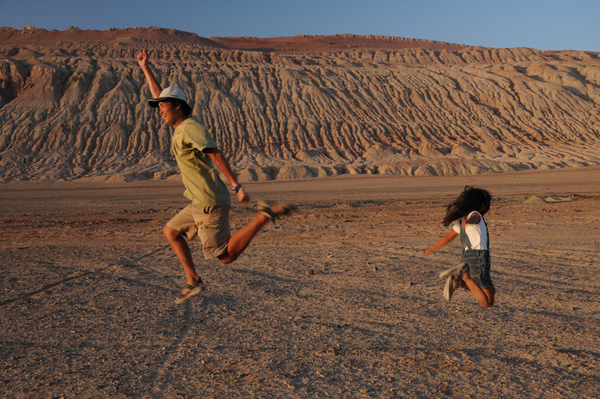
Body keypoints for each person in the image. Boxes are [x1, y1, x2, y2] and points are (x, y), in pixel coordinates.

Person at [137, 50, 295, 304]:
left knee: (225, 256)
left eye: (163, 107)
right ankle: (193, 281)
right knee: (171, 231)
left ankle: (263, 216)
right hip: (197, 201)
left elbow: (215, 153)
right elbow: (158, 96)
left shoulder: (191, 127)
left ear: (178, 106)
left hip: (210, 201)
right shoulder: (179, 124)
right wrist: (146, 68)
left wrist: (236, 185)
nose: (159, 111)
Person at [424, 186, 495, 307]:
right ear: (482, 205)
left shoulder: (462, 221)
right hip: (478, 258)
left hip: (468, 258)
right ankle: (463, 277)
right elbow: (474, 217)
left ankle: (458, 279)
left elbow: (448, 238)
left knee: (491, 291)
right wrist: (467, 221)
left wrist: (432, 248)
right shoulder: (475, 215)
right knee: (487, 302)